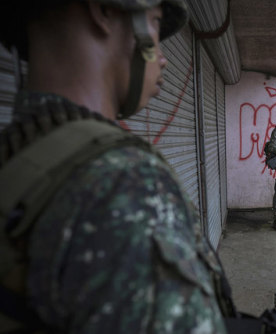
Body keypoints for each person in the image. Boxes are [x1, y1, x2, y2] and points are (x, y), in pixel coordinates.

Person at [0, 1, 235, 332]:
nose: (164, 58)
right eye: (154, 23)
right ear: (103, 12)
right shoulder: (123, 182)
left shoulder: (17, 155)